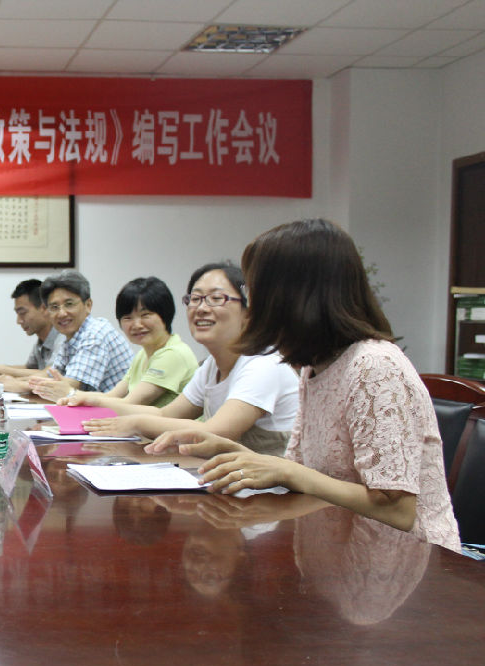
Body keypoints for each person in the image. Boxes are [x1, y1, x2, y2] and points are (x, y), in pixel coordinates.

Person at [146, 219, 459, 550]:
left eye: (254, 290)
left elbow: (398, 511)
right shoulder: (315, 368)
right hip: (334, 552)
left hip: (411, 563)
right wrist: (228, 450)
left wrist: (287, 472)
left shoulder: (374, 367)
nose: (252, 303)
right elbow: (298, 473)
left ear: (294, 295)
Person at [77, 262, 298, 456]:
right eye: (195, 299)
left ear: (248, 312)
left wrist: (136, 423)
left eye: (216, 299)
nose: (201, 308)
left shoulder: (262, 363)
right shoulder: (211, 366)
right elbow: (165, 413)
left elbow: (217, 432)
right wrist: (98, 403)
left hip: (271, 489)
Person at [61, 276, 198, 409]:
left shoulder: (173, 354)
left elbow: (130, 403)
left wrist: (75, 395)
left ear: (165, 314)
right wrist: (72, 397)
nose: (137, 325)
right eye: (128, 318)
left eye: (145, 315)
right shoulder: (143, 354)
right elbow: (113, 396)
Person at [27, 269, 132, 400]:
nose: (62, 313)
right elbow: (51, 376)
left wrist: (18, 385)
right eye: (54, 307)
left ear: (88, 305)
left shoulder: (95, 334)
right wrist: (14, 382)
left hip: (117, 410)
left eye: (69, 304)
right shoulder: (69, 338)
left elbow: (71, 386)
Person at [0, 278, 65, 392]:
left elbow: (49, 374)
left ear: (44, 308)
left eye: (22, 313)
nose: (19, 321)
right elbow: (29, 369)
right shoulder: (42, 340)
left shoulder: (63, 337)